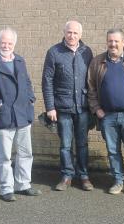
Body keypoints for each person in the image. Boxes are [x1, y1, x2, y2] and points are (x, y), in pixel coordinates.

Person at [0, 27, 41, 202]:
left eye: (10, 43)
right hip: (3, 116)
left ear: (14, 43)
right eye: (3, 42)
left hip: (23, 114)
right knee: (5, 157)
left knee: (26, 154)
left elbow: (26, 81)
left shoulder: (20, 60)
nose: (6, 45)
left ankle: (23, 185)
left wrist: (30, 98)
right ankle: (6, 189)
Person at [88, 28, 124, 195]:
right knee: (113, 151)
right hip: (107, 116)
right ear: (107, 42)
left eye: (116, 41)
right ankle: (118, 180)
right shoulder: (97, 62)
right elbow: (90, 88)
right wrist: (97, 109)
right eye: (110, 41)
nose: (113, 44)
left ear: (123, 42)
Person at [42, 20, 94, 191]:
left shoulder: (87, 52)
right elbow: (47, 81)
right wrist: (50, 107)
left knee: (82, 144)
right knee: (65, 145)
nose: (72, 36)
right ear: (64, 33)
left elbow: (91, 80)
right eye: (69, 32)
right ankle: (66, 176)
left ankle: (84, 175)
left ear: (81, 34)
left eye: (75, 33)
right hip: (62, 107)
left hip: (83, 107)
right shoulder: (54, 52)